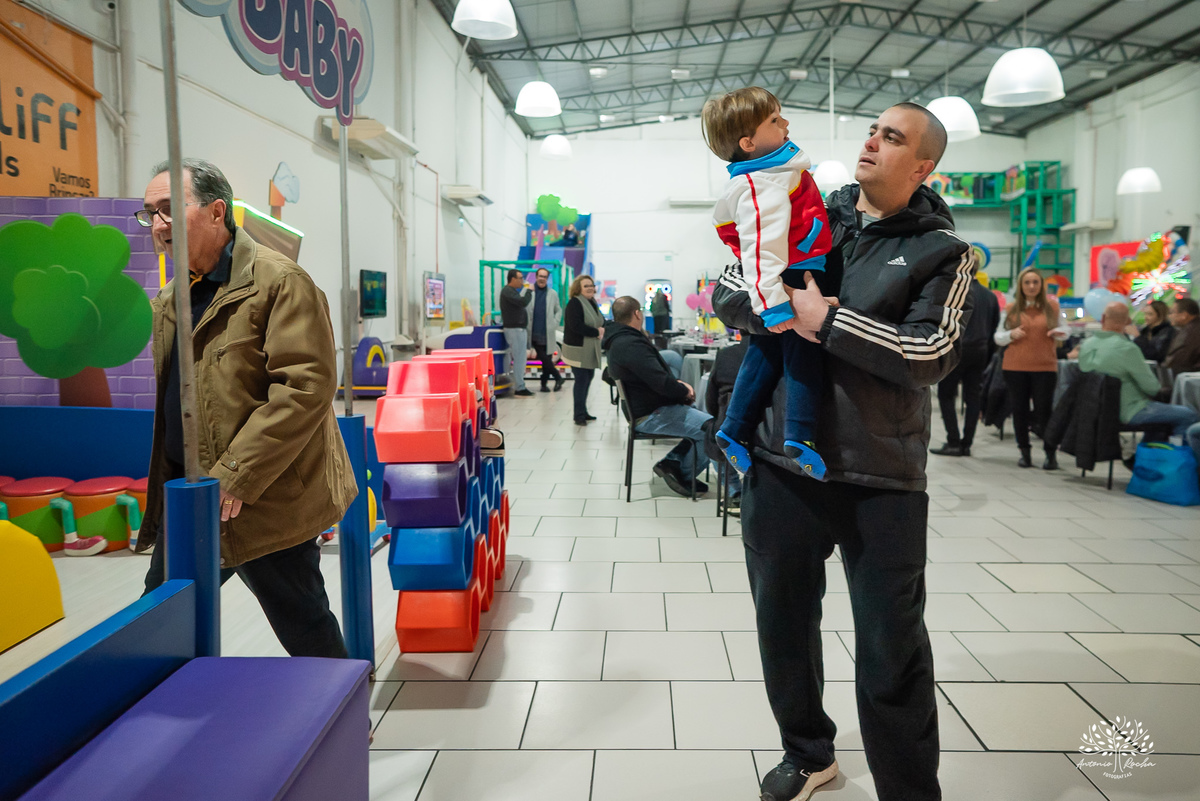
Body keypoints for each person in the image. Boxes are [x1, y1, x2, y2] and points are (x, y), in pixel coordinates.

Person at [713, 102, 973, 801]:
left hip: (881, 475)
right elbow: (729, 287)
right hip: (781, 463)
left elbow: (932, 351)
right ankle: (808, 752)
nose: (872, 141)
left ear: (923, 165)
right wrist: (773, 303)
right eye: (872, 130)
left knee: (893, 646)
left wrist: (827, 319)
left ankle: (908, 788)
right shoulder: (806, 206)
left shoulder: (945, 252)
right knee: (783, 625)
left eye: (893, 137)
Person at [137, 158, 356, 658]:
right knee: (157, 623)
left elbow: (305, 387)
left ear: (217, 212)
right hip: (192, 496)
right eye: (149, 213)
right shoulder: (172, 299)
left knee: (303, 625)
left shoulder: (279, 282)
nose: (157, 225)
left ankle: (346, 703)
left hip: (266, 500)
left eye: (168, 209)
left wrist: (237, 473)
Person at [702, 87, 834, 480]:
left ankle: (732, 429)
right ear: (749, 143)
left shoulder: (771, 176)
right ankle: (800, 435)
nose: (786, 123)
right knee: (805, 352)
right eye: (775, 120)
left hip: (791, 268)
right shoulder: (763, 183)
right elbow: (761, 248)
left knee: (763, 354)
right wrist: (773, 305)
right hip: (792, 272)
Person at [603, 296, 712, 497]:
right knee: (713, 430)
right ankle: (683, 473)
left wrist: (678, 388)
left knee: (703, 422)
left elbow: (654, 378)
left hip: (646, 408)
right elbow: (661, 382)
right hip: (651, 414)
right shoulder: (629, 343)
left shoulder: (618, 339)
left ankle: (672, 463)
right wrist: (684, 392)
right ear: (637, 314)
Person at [1079, 302, 1200, 458]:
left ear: (1102, 318)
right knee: (1187, 415)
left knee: (1162, 418)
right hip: (1128, 411)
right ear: (1128, 321)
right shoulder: (1127, 349)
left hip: (1094, 410)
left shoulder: (1087, 345)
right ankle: (1179, 463)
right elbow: (1152, 388)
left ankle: (1145, 458)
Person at [994, 267, 1069, 469]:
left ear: (1041, 285)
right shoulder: (1011, 309)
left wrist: (1059, 332)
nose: (1031, 286)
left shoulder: (1052, 307)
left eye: (1035, 282)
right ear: (1021, 286)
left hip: (1045, 367)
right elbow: (998, 337)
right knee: (1020, 410)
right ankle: (1024, 452)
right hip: (1015, 367)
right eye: (1027, 282)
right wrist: (1011, 335)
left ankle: (1050, 453)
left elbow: (1066, 329)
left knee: (1044, 411)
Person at [931, 276, 1000, 456]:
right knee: (973, 398)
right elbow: (993, 328)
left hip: (956, 350)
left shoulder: (953, 292)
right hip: (980, 351)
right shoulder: (990, 296)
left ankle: (953, 441)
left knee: (946, 395)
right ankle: (967, 444)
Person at [562, 274, 605, 425]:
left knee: (588, 378)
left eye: (591, 285)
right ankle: (578, 415)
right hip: (578, 349)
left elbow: (600, 320)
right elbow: (576, 326)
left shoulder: (592, 302)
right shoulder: (574, 303)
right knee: (581, 380)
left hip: (589, 349)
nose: (590, 288)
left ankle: (583, 411)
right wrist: (596, 332)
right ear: (578, 288)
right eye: (586, 286)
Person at [527, 267, 564, 392]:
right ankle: (558, 377)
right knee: (544, 357)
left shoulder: (552, 293)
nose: (542, 279)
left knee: (546, 359)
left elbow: (558, 310)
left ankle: (544, 385)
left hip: (548, 332)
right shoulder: (529, 291)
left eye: (545, 277)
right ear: (536, 277)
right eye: (540, 276)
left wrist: (555, 323)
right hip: (534, 332)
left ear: (547, 279)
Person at [499, 268, 534, 397]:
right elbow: (523, 302)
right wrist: (529, 291)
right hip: (515, 329)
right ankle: (519, 387)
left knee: (520, 357)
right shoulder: (508, 291)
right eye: (520, 278)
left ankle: (519, 384)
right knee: (519, 358)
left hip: (517, 328)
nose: (522, 281)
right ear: (513, 279)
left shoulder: (511, 291)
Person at [1164, 297, 1200, 375]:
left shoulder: (1190, 333)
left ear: (1184, 315)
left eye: (1172, 312)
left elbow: (1180, 362)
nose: (1170, 316)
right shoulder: (1191, 329)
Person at [1132, 299, 1173, 364]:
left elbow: (1155, 355)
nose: (1146, 317)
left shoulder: (1167, 332)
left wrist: (1138, 337)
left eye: (1150, 314)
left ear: (1160, 315)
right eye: (1145, 314)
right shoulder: (1145, 331)